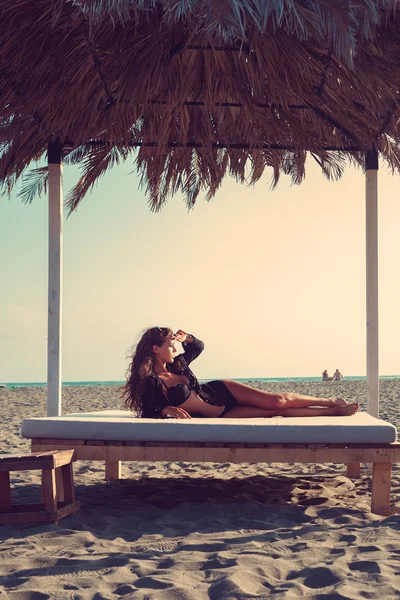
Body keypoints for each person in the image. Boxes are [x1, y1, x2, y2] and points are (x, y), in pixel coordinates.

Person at [122, 327, 359, 419]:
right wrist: (167, 409)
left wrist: (187, 338)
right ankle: (334, 411)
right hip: (220, 414)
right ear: (155, 349)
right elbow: (147, 410)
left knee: (277, 402)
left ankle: (326, 400)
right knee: (273, 414)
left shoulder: (179, 364)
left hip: (220, 391)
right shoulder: (153, 382)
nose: (174, 348)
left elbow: (198, 347)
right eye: (170, 345)